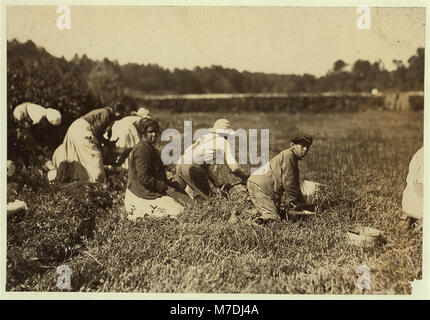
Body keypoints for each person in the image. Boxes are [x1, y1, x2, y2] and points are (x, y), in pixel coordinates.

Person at [124, 118, 191, 220]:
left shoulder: (148, 147)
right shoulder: (142, 150)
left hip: (148, 189)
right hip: (142, 193)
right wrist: (165, 187)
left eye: (155, 131)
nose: (154, 134)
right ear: (142, 133)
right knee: (180, 210)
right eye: (150, 132)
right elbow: (144, 178)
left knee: (186, 201)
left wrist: (170, 183)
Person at [47, 101, 125, 183]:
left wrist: (105, 142)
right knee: (95, 155)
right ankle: (97, 180)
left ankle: (68, 177)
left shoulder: (106, 113)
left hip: (75, 128)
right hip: (82, 130)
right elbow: (96, 132)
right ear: (117, 111)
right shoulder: (106, 114)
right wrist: (106, 143)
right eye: (121, 114)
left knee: (76, 157)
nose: (121, 117)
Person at [176, 119, 249, 202]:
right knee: (209, 200)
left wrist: (218, 184)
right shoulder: (222, 141)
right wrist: (246, 177)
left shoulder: (203, 138)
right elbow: (235, 168)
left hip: (180, 164)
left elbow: (204, 167)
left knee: (186, 195)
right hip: (193, 167)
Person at [245, 133, 314, 222]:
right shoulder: (289, 156)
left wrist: (302, 203)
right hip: (263, 187)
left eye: (307, 147)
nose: (305, 149)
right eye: (303, 146)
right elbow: (289, 182)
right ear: (293, 145)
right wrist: (296, 202)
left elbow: (294, 184)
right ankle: (255, 223)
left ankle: (241, 215)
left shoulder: (288, 155)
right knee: (273, 216)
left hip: (254, 182)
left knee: (265, 210)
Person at [399, 146, 423, 231]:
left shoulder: (420, 152)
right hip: (419, 209)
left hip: (410, 207)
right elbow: (419, 188)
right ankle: (420, 224)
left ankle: (410, 219)